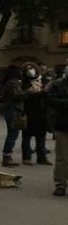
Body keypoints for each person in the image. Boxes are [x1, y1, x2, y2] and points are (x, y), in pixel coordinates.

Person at [21, 62, 52, 165]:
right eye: (27, 69)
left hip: (41, 113)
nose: (30, 70)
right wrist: (42, 92)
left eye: (31, 68)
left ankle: (42, 157)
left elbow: (48, 95)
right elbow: (27, 97)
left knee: (41, 137)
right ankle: (26, 157)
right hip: (29, 113)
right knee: (27, 137)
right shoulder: (24, 83)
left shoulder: (43, 81)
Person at [46, 67, 68, 196]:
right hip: (63, 125)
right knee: (62, 157)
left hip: (62, 123)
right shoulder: (58, 85)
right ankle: (60, 183)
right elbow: (51, 100)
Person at [1, 65, 27, 167]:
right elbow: (17, 95)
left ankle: (7, 155)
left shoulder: (8, 83)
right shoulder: (13, 83)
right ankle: (7, 155)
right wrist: (28, 92)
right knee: (12, 134)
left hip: (10, 109)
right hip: (14, 110)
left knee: (12, 133)